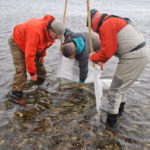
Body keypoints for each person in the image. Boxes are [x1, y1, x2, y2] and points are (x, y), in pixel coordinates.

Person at [88, 9, 150, 128]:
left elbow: (107, 52)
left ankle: (111, 125)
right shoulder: (112, 20)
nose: (94, 31)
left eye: (92, 28)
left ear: (93, 22)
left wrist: (94, 57)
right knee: (121, 88)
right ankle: (120, 114)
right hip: (140, 54)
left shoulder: (106, 25)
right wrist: (100, 60)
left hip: (134, 57)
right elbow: (110, 47)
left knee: (114, 91)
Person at [8, 14, 65, 105]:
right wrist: (32, 73)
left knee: (40, 64)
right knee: (21, 70)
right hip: (17, 41)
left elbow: (45, 45)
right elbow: (29, 55)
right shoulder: (35, 31)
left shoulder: (51, 35)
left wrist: (42, 56)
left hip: (32, 44)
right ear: (51, 30)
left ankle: (41, 81)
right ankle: (16, 95)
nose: (57, 38)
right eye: (56, 36)